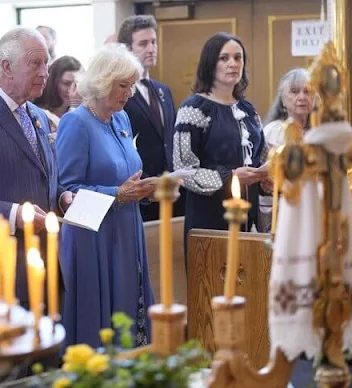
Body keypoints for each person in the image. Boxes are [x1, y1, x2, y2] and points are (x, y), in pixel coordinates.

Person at [0, 27, 73, 307]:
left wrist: (62, 196)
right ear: (7, 67)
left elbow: (45, 176)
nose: (46, 72)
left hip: (47, 259)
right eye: (36, 63)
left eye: (47, 63)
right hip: (2, 265)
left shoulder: (37, 115)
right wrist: (12, 214)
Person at [56, 44, 157, 349]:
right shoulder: (76, 122)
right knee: (102, 322)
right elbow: (67, 191)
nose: (129, 93)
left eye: (132, 85)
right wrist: (118, 194)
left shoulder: (121, 119)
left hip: (127, 227)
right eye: (122, 85)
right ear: (102, 82)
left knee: (130, 309)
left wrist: (146, 191)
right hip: (94, 237)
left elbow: (128, 173)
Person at [173, 33, 266, 240]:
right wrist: (231, 177)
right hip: (210, 219)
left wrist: (267, 175)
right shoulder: (193, 109)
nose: (233, 64)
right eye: (224, 58)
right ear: (210, 63)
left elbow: (262, 157)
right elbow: (184, 171)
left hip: (249, 217)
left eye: (238, 57)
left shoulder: (248, 109)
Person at [118, 15, 185, 221]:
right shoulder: (122, 94)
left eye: (154, 42)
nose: (151, 48)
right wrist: (147, 185)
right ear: (128, 49)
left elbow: (170, 140)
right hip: (141, 192)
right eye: (143, 43)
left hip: (170, 190)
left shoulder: (163, 90)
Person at [259, 68, 316, 232]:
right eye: (294, 91)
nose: (302, 97)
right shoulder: (273, 131)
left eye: (307, 91)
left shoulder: (319, 132)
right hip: (281, 209)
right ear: (282, 99)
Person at [33, 55, 82, 135]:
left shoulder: (79, 114)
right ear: (54, 82)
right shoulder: (37, 114)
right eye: (66, 83)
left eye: (76, 84)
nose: (72, 89)